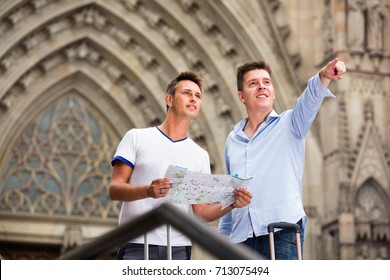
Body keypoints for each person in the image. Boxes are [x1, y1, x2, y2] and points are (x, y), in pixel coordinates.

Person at [109, 71, 252, 260]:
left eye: (198, 96)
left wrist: (232, 203)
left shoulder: (200, 155)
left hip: (179, 248)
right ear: (169, 99)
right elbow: (114, 189)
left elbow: (201, 213)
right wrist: (148, 190)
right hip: (136, 242)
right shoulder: (136, 137)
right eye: (187, 93)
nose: (193, 98)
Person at [218, 58, 347, 259]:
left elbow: (309, 99)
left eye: (266, 82)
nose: (261, 86)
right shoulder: (232, 139)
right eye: (253, 83)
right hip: (239, 241)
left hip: (280, 233)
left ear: (274, 92)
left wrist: (324, 76)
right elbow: (228, 196)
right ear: (241, 96)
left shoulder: (291, 123)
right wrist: (221, 244)